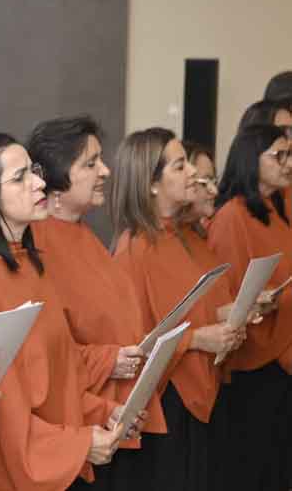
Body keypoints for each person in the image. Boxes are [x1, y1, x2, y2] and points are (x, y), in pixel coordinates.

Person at [0, 132, 138, 491]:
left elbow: (59, 376)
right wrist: (76, 445)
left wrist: (101, 411)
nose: (40, 183)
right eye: (20, 177)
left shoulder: (29, 266)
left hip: (59, 457)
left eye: (34, 171)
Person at [27, 116, 167, 490]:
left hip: (121, 409)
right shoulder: (38, 245)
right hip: (83, 421)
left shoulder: (83, 234)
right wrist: (107, 360)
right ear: (56, 178)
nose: (105, 171)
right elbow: (44, 352)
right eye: (90, 163)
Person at [109, 127, 242, 491]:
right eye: (180, 166)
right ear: (152, 184)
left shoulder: (180, 236)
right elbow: (133, 342)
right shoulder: (135, 249)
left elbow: (192, 309)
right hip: (165, 401)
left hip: (194, 390)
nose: (193, 174)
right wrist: (198, 339)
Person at [208, 124, 292, 491]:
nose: (288, 163)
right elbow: (229, 297)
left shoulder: (275, 209)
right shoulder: (232, 216)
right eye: (279, 155)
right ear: (250, 159)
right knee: (253, 468)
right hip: (256, 362)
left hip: (280, 356)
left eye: (290, 154)